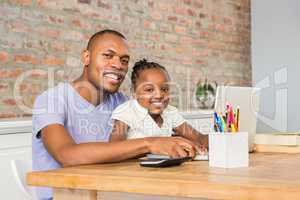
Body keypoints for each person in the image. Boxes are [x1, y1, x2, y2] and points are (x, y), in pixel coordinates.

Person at [32, 30, 199, 200]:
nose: (118, 65)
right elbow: (67, 155)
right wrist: (150, 143)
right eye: (108, 55)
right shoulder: (51, 100)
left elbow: (156, 133)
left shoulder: (122, 103)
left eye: (124, 60)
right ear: (86, 57)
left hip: (110, 192)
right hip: (65, 196)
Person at [109, 59, 208, 152]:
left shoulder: (170, 112)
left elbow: (199, 138)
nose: (159, 95)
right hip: (131, 168)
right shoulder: (126, 111)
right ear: (134, 92)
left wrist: (219, 140)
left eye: (164, 89)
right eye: (149, 90)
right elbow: (114, 149)